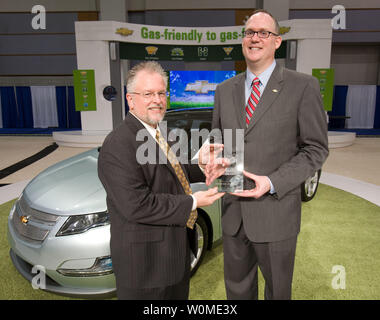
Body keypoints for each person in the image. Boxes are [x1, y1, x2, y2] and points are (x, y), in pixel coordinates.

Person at [206, 10, 329, 300]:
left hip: (276, 213)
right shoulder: (225, 89)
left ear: (277, 42)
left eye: (264, 33)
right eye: (249, 32)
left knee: (277, 291)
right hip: (233, 211)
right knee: (237, 291)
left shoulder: (303, 86)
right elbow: (217, 137)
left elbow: (316, 148)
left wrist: (272, 182)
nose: (255, 38)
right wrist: (210, 155)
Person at [98, 61, 224, 300]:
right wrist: (192, 202)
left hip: (173, 257)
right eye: (148, 94)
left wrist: (200, 164)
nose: (157, 99)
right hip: (146, 269)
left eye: (160, 93)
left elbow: (171, 172)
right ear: (130, 99)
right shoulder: (118, 145)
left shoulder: (158, 131)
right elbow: (137, 205)